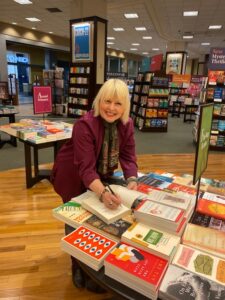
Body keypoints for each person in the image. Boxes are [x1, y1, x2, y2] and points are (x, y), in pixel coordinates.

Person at [51, 78, 138, 292]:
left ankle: (91, 262)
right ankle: (76, 265)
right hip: (72, 174)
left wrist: (132, 179)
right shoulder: (85, 124)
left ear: (125, 106)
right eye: (107, 101)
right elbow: (85, 168)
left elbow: (128, 154)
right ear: (99, 101)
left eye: (118, 103)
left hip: (98, 173)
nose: (111, 108)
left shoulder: (126, 124)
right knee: (75, 219)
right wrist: (102, 193)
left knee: (96, 220)